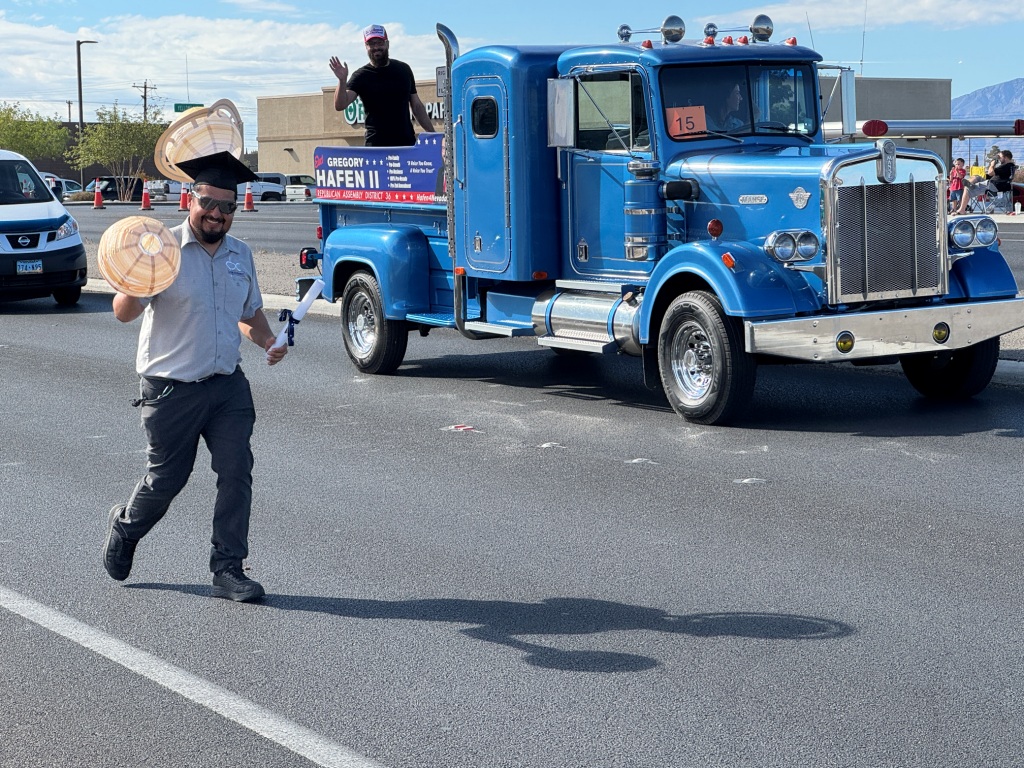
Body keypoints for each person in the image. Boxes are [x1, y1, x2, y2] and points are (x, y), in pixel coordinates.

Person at [102, 150, 288, 603]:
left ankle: (228, 568)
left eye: (227, 206)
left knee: (236, 469)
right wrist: (135, 281)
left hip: (226, 385)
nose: (217, 214)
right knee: (168, 478)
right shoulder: (161, 249)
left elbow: (249, 314)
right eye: (209, 202)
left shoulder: (240, 254)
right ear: (191, 198)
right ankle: (127, 527)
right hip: (171, 389)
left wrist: (268, 341)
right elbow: (124, 313)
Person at [329, 24, 434, 147]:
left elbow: (416, 106)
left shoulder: (404, 70)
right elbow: (340, 104)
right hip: (376, 149)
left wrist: (433, 134)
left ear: (387, 44)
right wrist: (342, 81)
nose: (376, 47)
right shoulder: (361, 76)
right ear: (366, 47)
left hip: (406, 146)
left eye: (379, 43)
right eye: (371, 44)